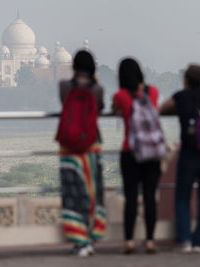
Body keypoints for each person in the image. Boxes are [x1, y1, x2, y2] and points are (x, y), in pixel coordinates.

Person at [159, 64, 200, 253]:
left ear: (186, 80)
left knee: (183, 196)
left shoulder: (182, 96)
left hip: (191, 151)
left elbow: (162, 108)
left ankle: (185, 240)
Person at [58, 50, 106, 257]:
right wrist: (94, 81)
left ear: (73, 67)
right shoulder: (97, 90)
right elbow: (100, 108)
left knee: (72, 194)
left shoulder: (64, 87)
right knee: (91, 192)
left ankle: (79, 242)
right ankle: (91, 238)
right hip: (91, 146)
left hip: (69, 146)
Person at [112, 58, 161, 254]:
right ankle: (150, 241)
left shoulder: (121, 96)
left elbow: (115, 109)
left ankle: (129, 241)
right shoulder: (153, 92)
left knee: (131, 198)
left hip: (130, 151)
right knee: (150, 197)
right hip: (152, 152)